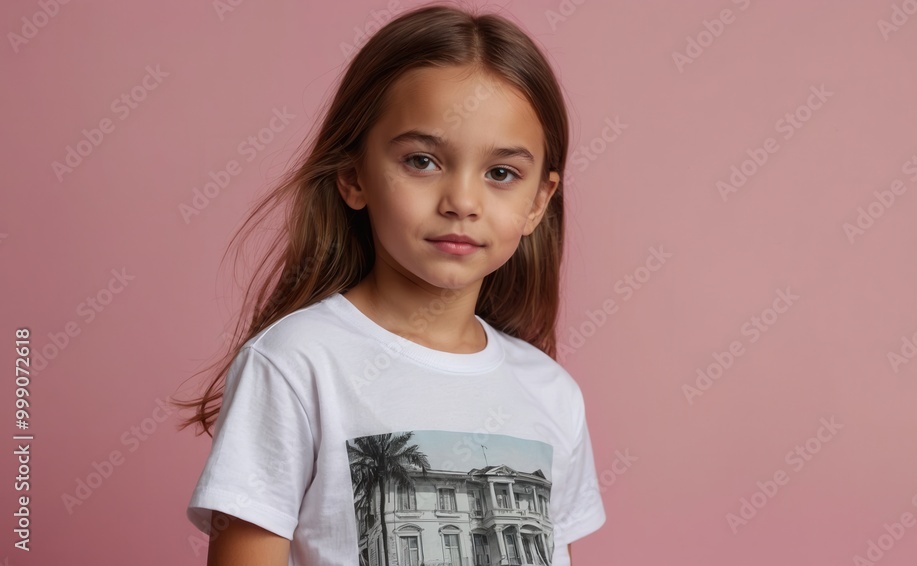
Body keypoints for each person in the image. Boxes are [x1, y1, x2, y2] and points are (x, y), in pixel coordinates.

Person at [172, 3, 606, 565]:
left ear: (537, 203)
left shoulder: (552, 394)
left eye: (501, 174)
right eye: (423, 161)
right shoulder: (297, 365)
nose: (463, 203)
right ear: (354, 176)